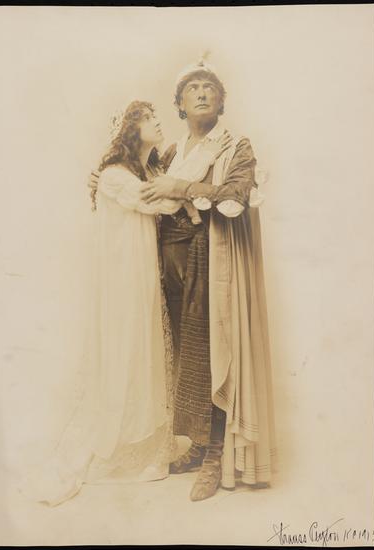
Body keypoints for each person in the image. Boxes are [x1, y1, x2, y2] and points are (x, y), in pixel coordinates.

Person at [20, 100, 230, 506]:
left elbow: (166, 189)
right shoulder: (116, 175)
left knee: (144, 350)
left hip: (144, 271)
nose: (158, 123)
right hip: (124, 277)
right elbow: (163, 202)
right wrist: (203, 165)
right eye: (149, 119)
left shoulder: (149, 171)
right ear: (132, 131)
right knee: (127, 348)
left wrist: (185, 181)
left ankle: (144, 438)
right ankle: (122, 444)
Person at [140, 59, 277, 502]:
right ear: (180, 104)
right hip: (169, 258)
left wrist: (180, 189)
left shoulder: (235, 147)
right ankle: (198, 445)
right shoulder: (170, 153)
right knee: (184, 354)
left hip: (210, 258)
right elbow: (138, 180)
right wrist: (100, 177)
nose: (201, 93)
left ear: (220, 102)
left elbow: (236, 194)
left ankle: (216, 456)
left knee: (215, 353)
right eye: (193, 88)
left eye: (209, 87)